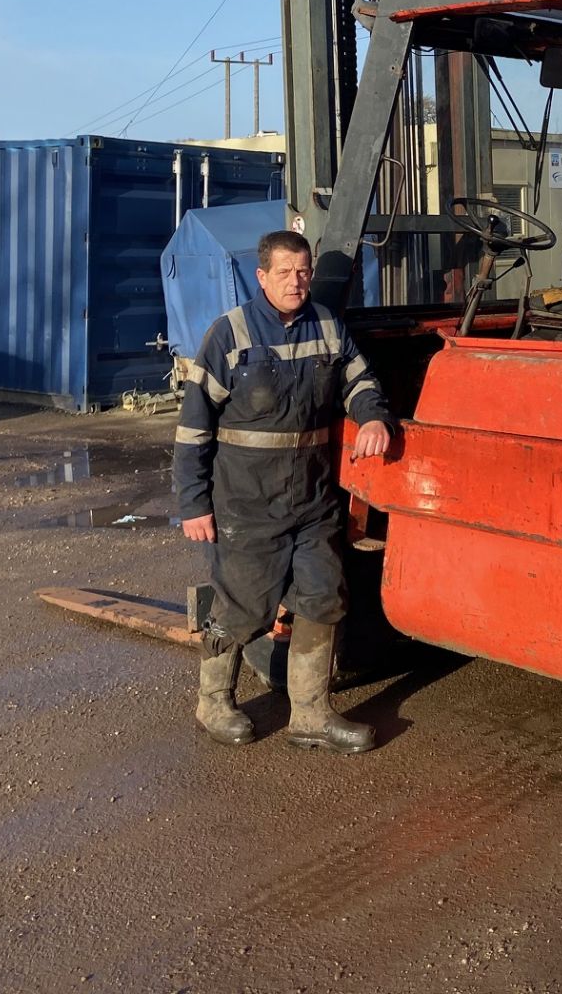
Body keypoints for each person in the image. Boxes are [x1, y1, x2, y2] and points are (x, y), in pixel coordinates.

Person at [172, 229, 393, 753]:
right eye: (286, 272)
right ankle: (213, 702)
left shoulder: (327, 326)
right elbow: (193, 429)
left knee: (323, 598)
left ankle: (310, 717)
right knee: (245, 609)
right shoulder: (230, 335)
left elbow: (361, 380)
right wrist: (193, 504)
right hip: (248, 504)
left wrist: (372, 417)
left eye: (304, 271)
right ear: (262, 276)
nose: (297, 282)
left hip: (313, 502)